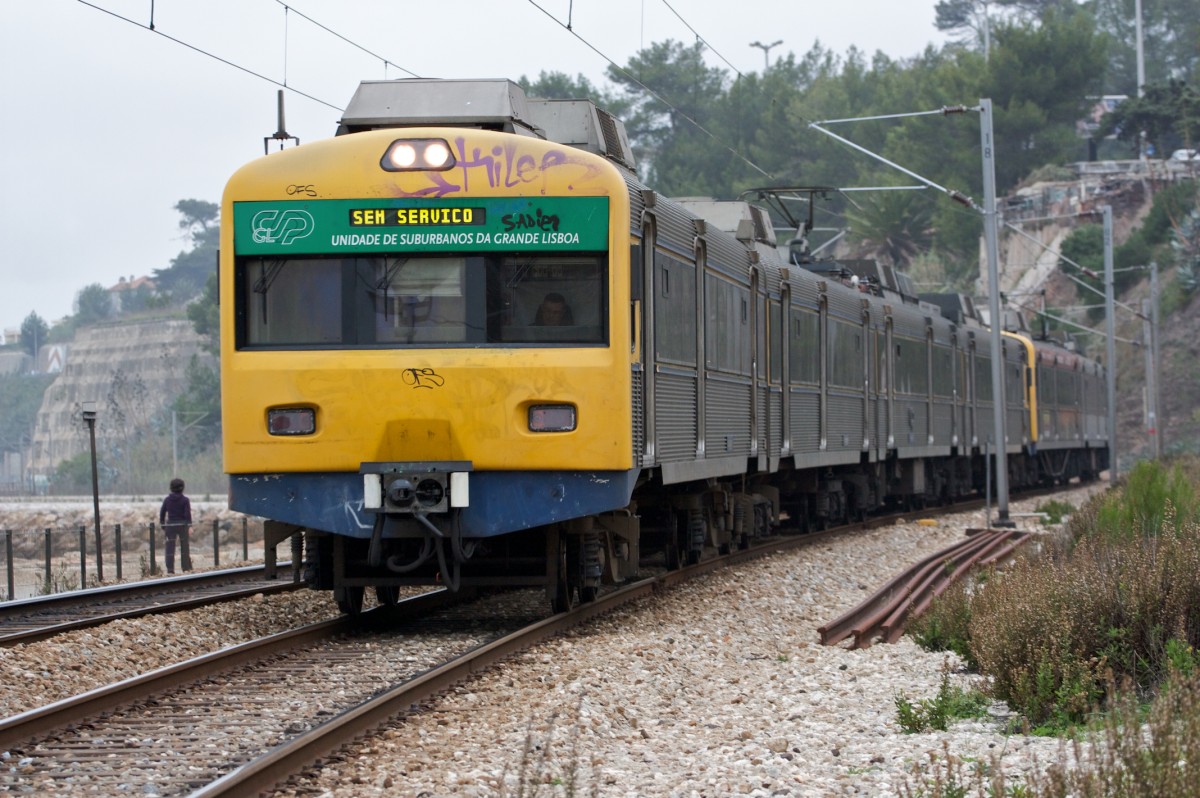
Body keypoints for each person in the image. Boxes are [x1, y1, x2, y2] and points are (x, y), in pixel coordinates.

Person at [159, 477, 192, 574]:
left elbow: (162, 512)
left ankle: (170, 569)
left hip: (170, 525)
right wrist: (189, 526)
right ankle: (186, 568)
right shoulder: (185, 500)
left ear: (171, 488)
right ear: (182, 488)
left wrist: (163, 525)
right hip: (183, 525)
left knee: (169, 548)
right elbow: (187, 514)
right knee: (184, 547)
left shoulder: (167, 500)